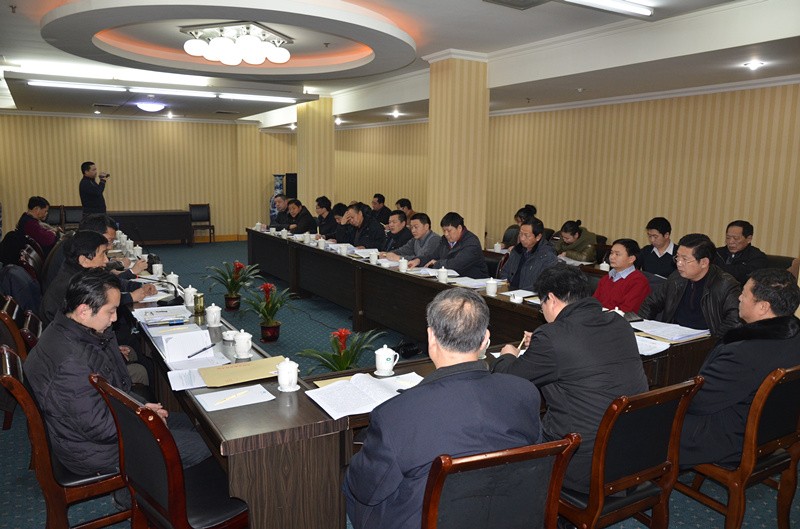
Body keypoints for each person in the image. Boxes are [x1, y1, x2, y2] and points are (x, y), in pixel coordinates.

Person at [344, 288, 542, 529]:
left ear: (431, 337)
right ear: (485, 339)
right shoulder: (525, 392)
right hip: (508, 516)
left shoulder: (395, 414)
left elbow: (365, 488)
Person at [25, 268, 211, 477]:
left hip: (103, 424)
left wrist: (142, 409)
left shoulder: (73, 329)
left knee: (199, 426)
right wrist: (146, 418)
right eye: (110, 311)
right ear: (84, 310)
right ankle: (155, 489)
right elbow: (99, 427)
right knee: (205, 446)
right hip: (96, 451)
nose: (114, 318)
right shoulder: (70, 363)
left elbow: (116, 386)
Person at [492, 265, 648, 493]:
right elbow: (583, 348)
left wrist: (508, 355)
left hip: (581, 462)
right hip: (634, 452)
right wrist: (543, 346)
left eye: (541, 303)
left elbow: (508, 379)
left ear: (551, 299)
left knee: (508, 427)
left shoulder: (552, 337)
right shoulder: (619, 323)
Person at [680, 268, 800, 467]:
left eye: (744, 294)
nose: (739, 299)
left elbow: (697, 402)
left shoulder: (743, 352)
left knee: (647, 423)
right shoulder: (793, 337)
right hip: (776, 429)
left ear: (763, 306)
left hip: (733, 437)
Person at [40, 231, 156, 327]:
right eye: (103, 254)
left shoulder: (78, 269)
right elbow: (102, 304)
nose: (106, 260)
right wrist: (131, 297)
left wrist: (139, 286)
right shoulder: (74, 283)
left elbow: (108, 282)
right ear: (84, 260)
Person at [639, 233, 741, 338]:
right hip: (673, 337)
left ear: (704, 262)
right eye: (677, 257)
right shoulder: (676, 278)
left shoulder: (726, 285)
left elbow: (734, 322)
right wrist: (640, 329)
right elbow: (650, 303)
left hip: (705, 341)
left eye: (685, 259)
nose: (679, 263)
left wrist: (712, 343)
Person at [412, 212, 489, 279]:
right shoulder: (444, 240)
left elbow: (457, 264)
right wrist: (419, 260)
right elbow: (433, 256)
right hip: (453, 280)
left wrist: (436, 263)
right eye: (444, 230)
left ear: (459, 228)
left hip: (474, 282)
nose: (446, 234)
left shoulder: (471, 242)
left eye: (449, 231)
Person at [498, 215, 557, 291]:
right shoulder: (517, 250)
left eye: (526, 235)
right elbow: (505, 271)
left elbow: (543, 284)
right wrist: (505, 282)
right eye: (520, 234)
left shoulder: (547, 256)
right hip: (510, 293)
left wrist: (520, 292)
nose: (522, 238)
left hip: (530, 296)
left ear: (538, 237)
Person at [593, 238, 651, 313]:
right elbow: (593, 302)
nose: (612, 257)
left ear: (631, 259)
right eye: (611, 253)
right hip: (599, 316)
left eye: (617, 254)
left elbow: (627, 311)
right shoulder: (606, 278)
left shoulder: (639, 281)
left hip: (619, 319)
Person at [715, 220, 768, 284]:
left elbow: (744, 275)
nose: (730, 242)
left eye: (736, 238)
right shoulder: (716, 253)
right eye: (728, 238)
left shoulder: (757, 257)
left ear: (749, 239)